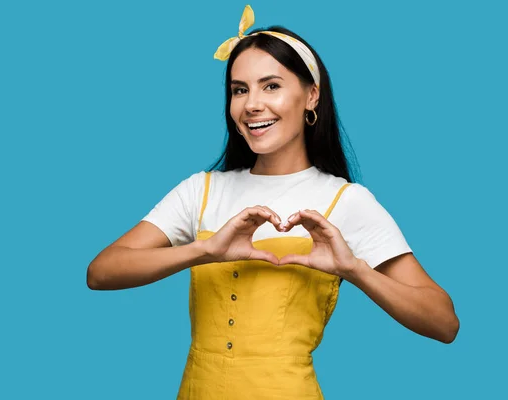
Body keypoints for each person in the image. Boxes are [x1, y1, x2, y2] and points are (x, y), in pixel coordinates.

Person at [87, 5, 460, 399]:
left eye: (271, 86)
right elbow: (101, 272)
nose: (251, 105)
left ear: (311, 95)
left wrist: (355, 270)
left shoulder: (345, 201)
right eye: (239, 89)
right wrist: (203, 251)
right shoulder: (201, 190)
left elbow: (444, 323)